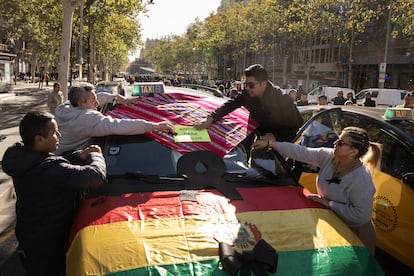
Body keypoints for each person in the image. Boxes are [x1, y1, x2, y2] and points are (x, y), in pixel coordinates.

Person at [1, 111, 107, 275]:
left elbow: (53, 161)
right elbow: (95, 176)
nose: (59, 135)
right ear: (39, 139)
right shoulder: (47, 170)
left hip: (31, 238)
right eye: (54, 133)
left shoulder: (22, 157)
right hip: (51, 245)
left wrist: (79, 155)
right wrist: (96, 155)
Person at [252, 126, 382, 255]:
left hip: (355, 235)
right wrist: (272, 144)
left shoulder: (361, 179)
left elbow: (362, 215)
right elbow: (301, 152)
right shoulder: (329, 156)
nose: (335, 143)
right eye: (338, 139)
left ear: (353, 152)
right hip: (332, 226)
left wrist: (329, 204)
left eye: (341, 143)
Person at [194, 64, 303, 143]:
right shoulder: (247, 93)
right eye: (245, 84)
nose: (247, 88)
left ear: (263, 84)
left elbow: (297, 125)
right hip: (256, 140)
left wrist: (276, 137)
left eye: (251, 85)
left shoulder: (282, 99)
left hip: (280, 148)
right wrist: (211, 118)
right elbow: (231, 104)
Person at [54, 84, 176, 155]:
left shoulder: (64, 107)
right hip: (70, 159)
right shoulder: (87, 118)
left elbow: (99, 97)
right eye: (93, 101)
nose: (97, 104)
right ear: (81, 103)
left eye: (96, 99)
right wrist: (155, 126)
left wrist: (115, 97)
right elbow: (119, 125)